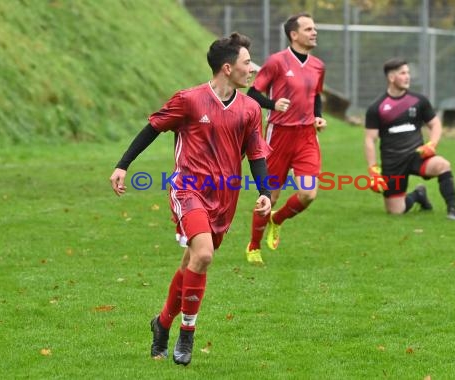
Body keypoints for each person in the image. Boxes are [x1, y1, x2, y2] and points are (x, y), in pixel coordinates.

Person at [109, 32, 271, 366]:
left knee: (192, 263)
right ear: (227, 68)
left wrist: (266, 192)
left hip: (225, 197)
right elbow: (152, 128)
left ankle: (162, 322)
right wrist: (123, 165)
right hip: (189, 189)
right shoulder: (189, 100)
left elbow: (256, 155)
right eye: (246, 63)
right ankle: (187, 332)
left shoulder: (251, 108)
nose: (252, 69)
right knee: (204, 255)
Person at [244, 12, 327, 264]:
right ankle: (254, 246)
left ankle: (277, 220)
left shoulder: (318, 65)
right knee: (269, 196)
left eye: (315, 28)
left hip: (306, 137)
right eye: (309, 29)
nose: (314, 32)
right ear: (294, 34)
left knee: (308, 194)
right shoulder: (277, 62)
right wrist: (272, 103)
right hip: (278, 136)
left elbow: (316, 96)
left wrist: (318, 116)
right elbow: (252, 93)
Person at [364, 57, 455, 220]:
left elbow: (435, 124)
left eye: (408, 73)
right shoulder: (376, 107)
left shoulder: (419, 101)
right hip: (393, 162)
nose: (408, 76)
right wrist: (373, 170)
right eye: (403, 73)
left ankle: (453, 210)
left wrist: (432, 144)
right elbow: (370, 140)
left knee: (443, 164)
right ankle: (418, 195)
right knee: (395, 211)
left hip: (417, 155)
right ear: (391, 77)